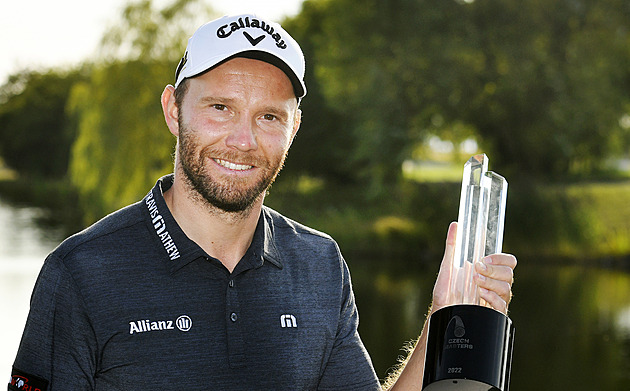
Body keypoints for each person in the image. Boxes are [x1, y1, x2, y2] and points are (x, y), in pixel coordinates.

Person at [8, 14, 516, 391]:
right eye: (220, 107)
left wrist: (443, 320)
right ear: (173, 110)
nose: (243, 140)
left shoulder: (319, 265)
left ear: (294, 129)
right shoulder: (80, 272)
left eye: (270, 116)